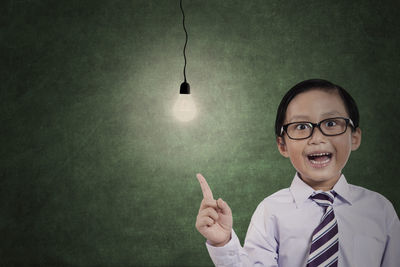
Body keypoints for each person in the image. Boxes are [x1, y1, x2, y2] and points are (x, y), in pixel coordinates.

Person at [195, 79, 400, 267]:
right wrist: (223, 243)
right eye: (301, 126)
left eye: (331, 123)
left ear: (354, 137)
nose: (317, 138)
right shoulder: (270, 211)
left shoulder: (380, 210)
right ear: (282, 145)